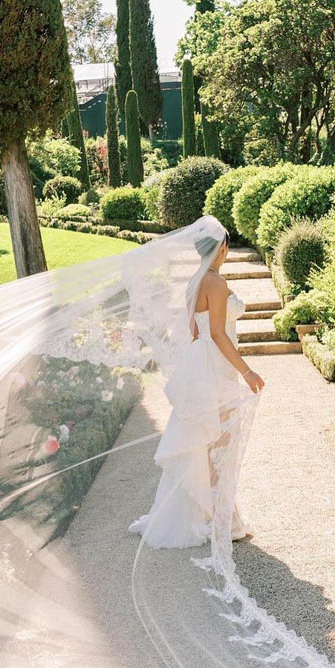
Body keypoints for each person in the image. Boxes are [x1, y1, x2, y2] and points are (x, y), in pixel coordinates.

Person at [128, 216, 264, 549]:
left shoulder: (196, 280)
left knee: (207, 442)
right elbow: (217, 333)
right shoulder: (216, 283)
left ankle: (216, 514)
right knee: (220, 445)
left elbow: (194, 332)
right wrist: (246, 371)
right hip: (215, 368)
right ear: (223, 247)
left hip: (202, 364)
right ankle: (221, 520)